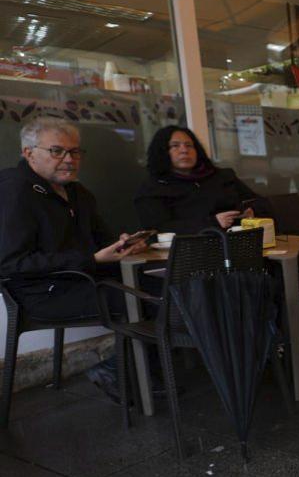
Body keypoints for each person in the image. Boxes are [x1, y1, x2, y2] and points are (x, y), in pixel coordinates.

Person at [0, 118, 147, 402]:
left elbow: (101, 240)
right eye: (57, 151)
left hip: (81, 279)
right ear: (29, 153)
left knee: (159, 285)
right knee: (140, 300)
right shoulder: (13, 191)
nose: (69, 160)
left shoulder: (78, 193)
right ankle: (118, 370)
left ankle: (141, 373)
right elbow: (9, 264)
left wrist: (122, 245)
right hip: (41, 293)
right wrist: (90, 258)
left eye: (75, 152)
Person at [134, 126, 266, 234]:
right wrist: (213, 222)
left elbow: (257, 201)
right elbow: (158, 228)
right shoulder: (153, 188)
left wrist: (251, 211)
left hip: (239, 242)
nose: (184, 150)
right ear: (162, 151)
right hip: (188, 253)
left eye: (189, 145)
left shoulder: (222, 176)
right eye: (175, 146)